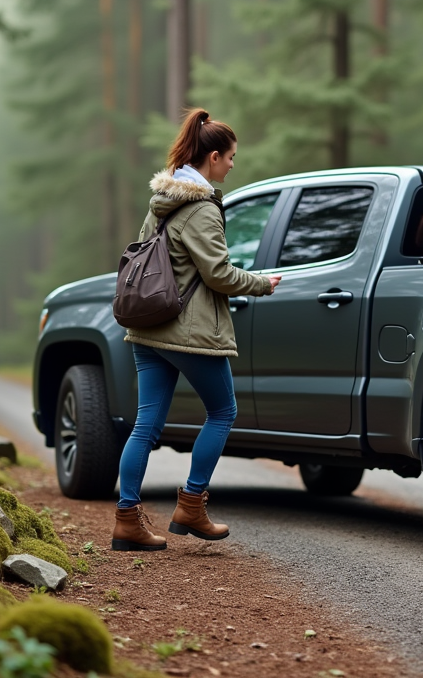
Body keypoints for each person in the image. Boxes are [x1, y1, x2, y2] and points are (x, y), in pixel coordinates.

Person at [112, 108, 281, 552]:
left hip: (149, 329)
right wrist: (262, 283)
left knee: (145, 425)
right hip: (188, 333)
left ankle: (127, 519)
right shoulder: (202, 208)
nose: (231, 166)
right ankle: (191, 504)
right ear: (212, 157)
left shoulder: (163, 202)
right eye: (229, 158)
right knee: (223, 413)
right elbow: (219, 274)